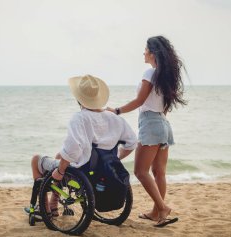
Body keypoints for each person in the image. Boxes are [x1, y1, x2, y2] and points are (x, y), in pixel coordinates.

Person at [26, 74, 137, 216]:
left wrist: (60, 171)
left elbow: (73, 149)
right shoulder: (114, 118)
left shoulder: (79, 118)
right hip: (101, 170)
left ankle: (45, 208)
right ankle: (54, 202)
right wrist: (113, 159)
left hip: (81, 171)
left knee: (36, 159)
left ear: (79, 99)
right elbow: (132, 142)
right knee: (60, 155)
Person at [107, 36, 187, 227]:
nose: (143, 53)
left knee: (140, 171)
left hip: (151, 123)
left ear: (152, 53)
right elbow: (164, 105)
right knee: (159, 172)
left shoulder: (150, 73)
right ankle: (155, 212)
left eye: (145, 49)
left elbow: (139, 101)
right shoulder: (165, 75)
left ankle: (162, 207)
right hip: (163, 123)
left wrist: (116, 111)